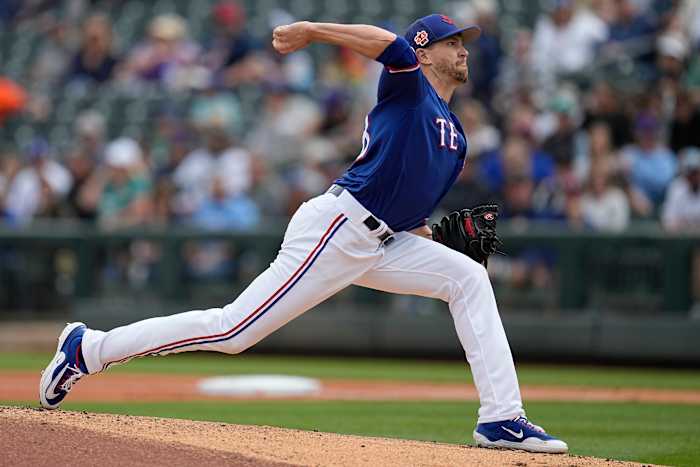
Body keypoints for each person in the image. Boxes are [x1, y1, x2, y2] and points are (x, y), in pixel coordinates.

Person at [39, 15, 568, 454]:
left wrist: (441, 247)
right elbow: (389, 43)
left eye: (465, 44)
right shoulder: (409, 87)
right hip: (338, 227)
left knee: (468, 277)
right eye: (453, 42)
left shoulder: (456, 140)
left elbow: (414, 221)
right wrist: (312, 31)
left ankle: (502, 418)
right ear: (426, 52)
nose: (464, 51)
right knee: (231, 332)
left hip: (382, 240)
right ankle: (90, 348)